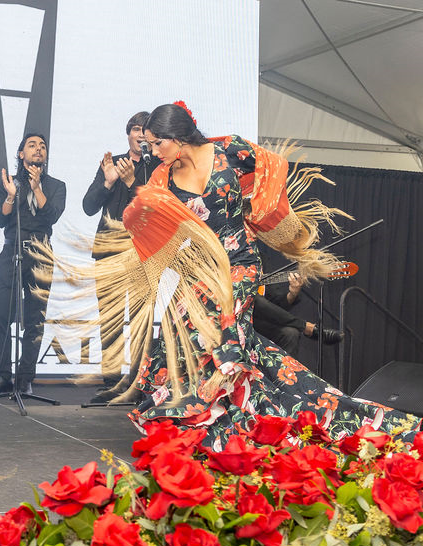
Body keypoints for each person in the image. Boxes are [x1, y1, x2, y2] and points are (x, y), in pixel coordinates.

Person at [81, 102, 419, 446]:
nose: (152, 151)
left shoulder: (229, 150)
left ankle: (229, 424)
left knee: (224, 339)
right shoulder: (162, 177)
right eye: (150, 145)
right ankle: (277, 412)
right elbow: (155, 222)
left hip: (240, 263)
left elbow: (272, 166)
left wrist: (261, 208)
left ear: (177, 137)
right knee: (191, 344)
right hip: (200, 270)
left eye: (156, 143)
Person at [82, 112, 161, 404]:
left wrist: (130, 184)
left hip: (141, 254)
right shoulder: (111, 163)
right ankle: (112, 384)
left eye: (146, 131)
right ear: (128, 134)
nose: (141, 135)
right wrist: (108, 182)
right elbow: (88, 206)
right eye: (136, 130)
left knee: (142, 319)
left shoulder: (157, 168)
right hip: (108, 253)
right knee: (111, 320)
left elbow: (151, 212)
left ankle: (139, 385)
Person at [0, 133, 66, 397]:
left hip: (41, 251)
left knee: (34, 318)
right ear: (21, 154)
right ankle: (2, 377)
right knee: (0, 315)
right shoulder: (8, 183)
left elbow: (51, 215)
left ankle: (25, 379)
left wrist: (37, 187)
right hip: (12, 251)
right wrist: (10, 196)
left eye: (42, 146)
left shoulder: (56, 186)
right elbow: (0, 219)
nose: (38, 149)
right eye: (32, 145)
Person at [253, 272, 343, 355]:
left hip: (259, 325)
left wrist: (292, 294)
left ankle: (286, 372)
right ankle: (307, 327)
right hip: (241, 323)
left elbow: (275, 306)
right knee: (252, 299)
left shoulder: (259, 265)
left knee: (290, 333)